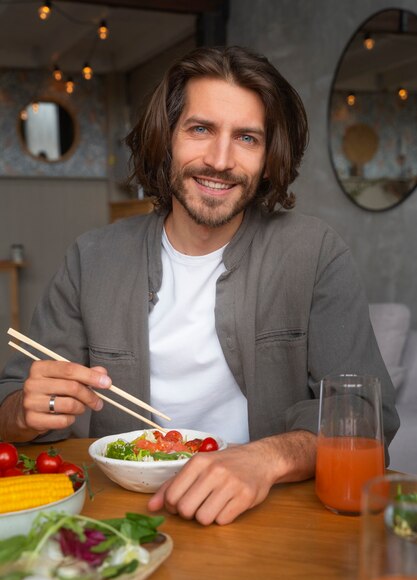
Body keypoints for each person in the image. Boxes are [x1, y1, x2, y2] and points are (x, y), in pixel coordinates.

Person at [0, 46, 399, 525]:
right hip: (122, 515)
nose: (220, 160)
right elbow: (11, 406)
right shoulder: (92, 257)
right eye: (200, 129)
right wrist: (22, 414)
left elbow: (367, 417)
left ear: (269, 158)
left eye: (247, 138)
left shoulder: (313, 253)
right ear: (165, 140)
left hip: (266, 516)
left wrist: (266, 458)